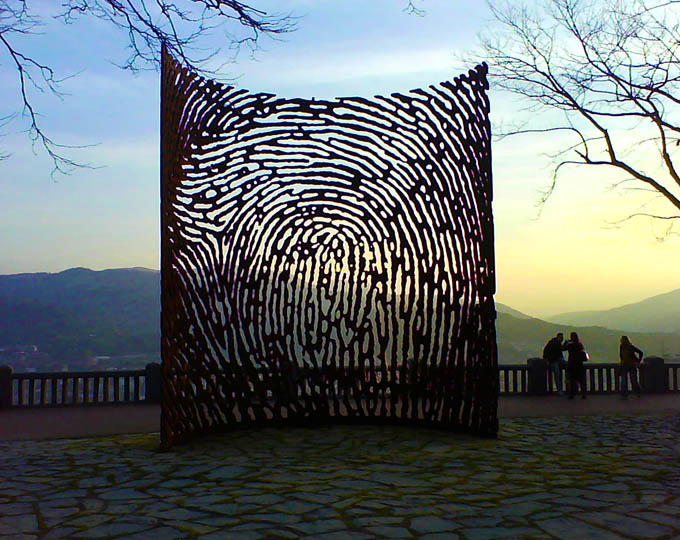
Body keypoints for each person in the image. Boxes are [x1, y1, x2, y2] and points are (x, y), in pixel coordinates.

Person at [562, 331, 588, 399]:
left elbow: (562, 348)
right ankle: (583, 394)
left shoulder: (570, 345)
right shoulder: (579, 344)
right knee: (581, 380)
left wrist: (566, 342)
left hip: (572, 363)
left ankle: (572, 394)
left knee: (572, 380)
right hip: (579, 364)